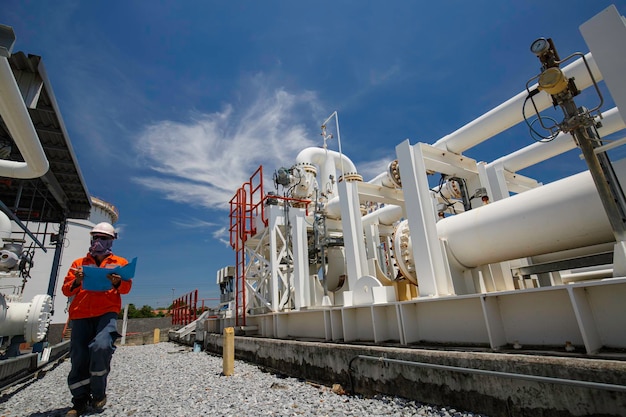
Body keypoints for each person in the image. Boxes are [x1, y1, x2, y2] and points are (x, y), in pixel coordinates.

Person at [61, 222, 132, 416]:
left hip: (106, 312)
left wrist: (117, 281)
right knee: (79, 357)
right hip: (81, 313)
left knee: (101, 347)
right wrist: (78, 280)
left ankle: (98, 393)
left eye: (104, 238)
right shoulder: (79, 264)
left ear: (111, 241)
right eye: (96, 237)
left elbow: (126, 288)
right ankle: (79, 402)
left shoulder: (120, 262)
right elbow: (66, 289)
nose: (99, 241)